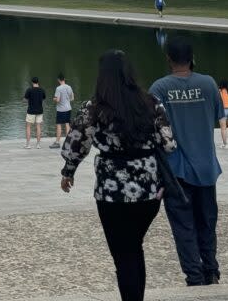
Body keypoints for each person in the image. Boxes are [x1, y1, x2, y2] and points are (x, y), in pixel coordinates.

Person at [60, 50, 176, 301]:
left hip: (112, 192)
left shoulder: (94, 108)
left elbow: (76, 144)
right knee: (134, 247)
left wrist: (68, 172)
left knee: (123, 253)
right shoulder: (151, 103)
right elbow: (168, 143)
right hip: (148, 189)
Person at [150, 35, 225, 286]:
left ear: (168, 59)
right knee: (207, 222)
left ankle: (194, 276)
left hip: (176, 170)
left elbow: (153, 130)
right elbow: (216, 115)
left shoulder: (159, 88)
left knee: (184, 227)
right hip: (206, 166)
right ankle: (211, 270)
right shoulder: (209, 84)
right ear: (192, 58)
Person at [51, 74, 75, 149]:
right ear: (64, 79)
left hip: (61, 110)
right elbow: (72, 98)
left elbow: (58, 100)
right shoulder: (69, 87)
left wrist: (54, 99)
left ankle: (57, 142)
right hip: (68, 108)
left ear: (58, 80)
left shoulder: (58, 88)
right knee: (67, 124)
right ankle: (68, 142)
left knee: (59, 125)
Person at [24, 77, 46, 149]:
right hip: (40, 111)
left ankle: (28, 144)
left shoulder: (29, 90)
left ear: (32, 82)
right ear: (38, 82)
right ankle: (38, 145)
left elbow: (25, 99)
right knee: (38, 127)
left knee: (28, 127)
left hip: (30, 111)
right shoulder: (42, 90)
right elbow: (43, 98)